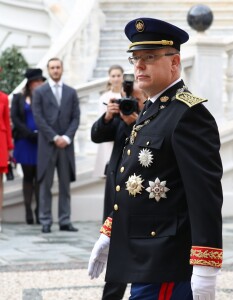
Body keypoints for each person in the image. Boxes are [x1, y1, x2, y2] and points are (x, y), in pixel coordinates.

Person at [88, 17, 223, 299]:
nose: (138, 65)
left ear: (174, 63)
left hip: (167, 262)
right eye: (135, 58)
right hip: (144, 256)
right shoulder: (151, 110)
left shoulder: (189, 114)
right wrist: (109, 231)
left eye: (149, 57)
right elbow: (135, 180)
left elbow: (205, 196)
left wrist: (205, 264)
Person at [91, 81, 147, 299]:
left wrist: (137, 124)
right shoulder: (118, 117)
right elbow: (96, 136)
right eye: (129, 99)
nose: (131, 104)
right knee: (116, 249)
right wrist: (108, 116)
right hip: (116, 194)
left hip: (141, 196)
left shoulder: (149, 119)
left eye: (136, 99)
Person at [32, 57, 80, 234]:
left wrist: (67, 137)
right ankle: (45, 220)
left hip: (66, 146)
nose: (55, 70)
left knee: (65, 185)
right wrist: (54, 137)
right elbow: (39, 118)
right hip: (47, 145)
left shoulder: (71, 92)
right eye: (52, 67)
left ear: (62, 69)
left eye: (58, 67)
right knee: (45, 184)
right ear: (48, 70)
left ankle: (65, 220)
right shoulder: (39, 92)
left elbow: (76, 117)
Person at [11, 68, 46, 225]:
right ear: (30, 83)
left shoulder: (45, 97)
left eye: (41, 81)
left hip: (41, 141)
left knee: (39, 177)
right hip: (25, 142)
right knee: (27, 176)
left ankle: (39, 211)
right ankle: (28, 211)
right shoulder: (19, 98)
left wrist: (40, 134)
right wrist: (28, 134)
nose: (39, 84)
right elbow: (15, 118)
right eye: (37, 81)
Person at [93, 65, 124, 178]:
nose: (116, 79)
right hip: (109, 140)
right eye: (113, 76)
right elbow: (101, 121)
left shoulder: (128, 95)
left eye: (118, 76)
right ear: (109, 78)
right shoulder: (104, 98)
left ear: (122, 77)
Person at [0, 90, 14, 232]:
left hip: (1, 142)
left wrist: (10, 147)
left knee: (0, 181)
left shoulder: (3, 97)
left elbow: (7, 123)